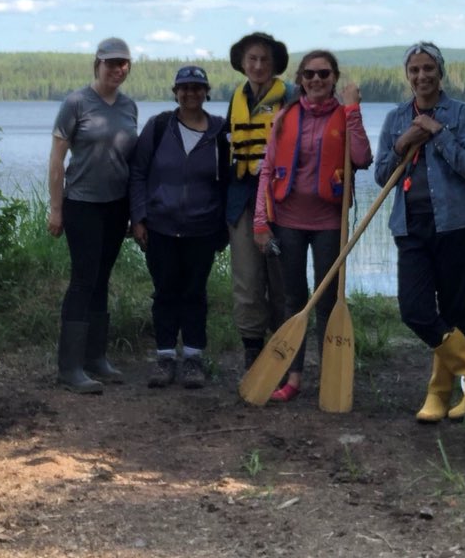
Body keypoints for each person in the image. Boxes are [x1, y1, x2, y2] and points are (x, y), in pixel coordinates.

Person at [374, 41, 465, 422]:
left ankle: (439, 395)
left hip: (459, 225)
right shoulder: (396, 118)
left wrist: (436, 131)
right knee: (415, 310)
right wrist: (405, 140)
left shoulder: (459, 113)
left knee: (454, 310)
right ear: (407, 75)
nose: (421, 76)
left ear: (440, 72)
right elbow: (381, 175)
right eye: (414, 70)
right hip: (411, 227)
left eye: (428, 68)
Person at [253, 51, 372, 402]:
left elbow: (363, 157)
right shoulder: (286, 116)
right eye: (309, 74)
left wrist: (353, 111)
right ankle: (294, 377)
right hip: (288, 220)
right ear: (300, 79)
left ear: (334, 77)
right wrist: (261, 220)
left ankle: (329, 377)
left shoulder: (344, 113)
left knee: (326, 301)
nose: (316, 80)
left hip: (328, 222)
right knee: (292, 300)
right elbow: (266, 170)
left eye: (323, 74)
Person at [129, 65, 229, 389]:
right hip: (160, 227)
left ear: (206, 92)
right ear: (175, 92)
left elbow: (229, 183)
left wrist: (224, 227)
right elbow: (138, 173)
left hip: (203, 228)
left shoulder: (220, 131)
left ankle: (194, 359)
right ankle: (164, 357)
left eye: (197, 88)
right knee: (165, 293)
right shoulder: (158, 127)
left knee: (195, 293)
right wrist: (139, 218)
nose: (190, 93)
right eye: (184, 88)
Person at [48, 37, 138, 394]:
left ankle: (95, 358)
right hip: (82, 204)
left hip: (116, 206)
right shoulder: (76, 103)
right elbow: (57, 159)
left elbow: (131, 163)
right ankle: (69, 367)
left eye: (124, 63)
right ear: (97, 64)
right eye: (111, 62)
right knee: (84, 279)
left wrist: (134, 211)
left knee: (102, 278)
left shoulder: (129, 107)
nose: (118, 69)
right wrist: (56, 208)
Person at [225, 32, 291, 371]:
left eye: (265, 59)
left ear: (275, 63)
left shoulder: (291, 97)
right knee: (246, 280)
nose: (258, 65)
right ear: (242, 62)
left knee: (280, 280)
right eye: (252, 59)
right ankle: (253, 351)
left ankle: (282, 352)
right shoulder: (236, 98)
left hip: (282, 203)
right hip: (241, 201)